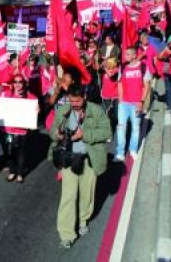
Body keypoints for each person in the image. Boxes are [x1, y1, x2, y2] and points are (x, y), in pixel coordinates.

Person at [50, 85, 111, 249]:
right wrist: (57, 134)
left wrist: (85, 135)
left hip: (89, 159)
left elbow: (107, 132)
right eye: (71, 100)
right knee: (68, 197)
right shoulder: (64, 110)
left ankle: (83, 220)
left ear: (84, 96)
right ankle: (66, 233)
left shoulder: (96, 110)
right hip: (69, 160)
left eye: (77, 101)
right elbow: (52, 130)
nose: (74, 104)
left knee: (87, 194)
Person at [0, 75, 38, 183]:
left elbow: (35, 110)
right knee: (8, 151)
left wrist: (36, 110)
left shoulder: (31, 97)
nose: (17, 84)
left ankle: (20, 174)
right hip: (8, 131)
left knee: (20, 152)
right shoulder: (6, 95)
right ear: (13, 83)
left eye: (20, 82)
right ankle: (12, 172)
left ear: (24, 84)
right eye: (15, 82)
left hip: (22, 131)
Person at [115, 47, 151, 162]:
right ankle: (120, 153)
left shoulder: (143, 67)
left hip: (136, 103)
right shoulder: (123, 67)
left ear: (135, 55)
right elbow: (120, 83)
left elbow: (147, 86)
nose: (125, 56)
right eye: (125, 54)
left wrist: (141, 101)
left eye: (128, 54)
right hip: (124, 103)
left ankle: (133, 150)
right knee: (121, 128)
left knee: (135, 128)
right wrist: (120, 100)